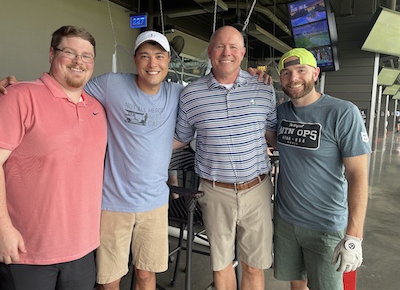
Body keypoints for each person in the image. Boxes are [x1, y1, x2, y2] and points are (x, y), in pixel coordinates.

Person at [0, 29, 269, 290]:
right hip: (112, 204)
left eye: (160, 56)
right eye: (144, 56)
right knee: (109, 279)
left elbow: (189, 128)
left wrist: (254, 75)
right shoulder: (110, 85)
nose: (152, 64)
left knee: (145, 275)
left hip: (154, 203)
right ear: (135, 60)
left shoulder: (179, 93)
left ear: (168, 61)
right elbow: (66, 88)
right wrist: (16, 89)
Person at [0, 26, 107, 289]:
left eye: (87, 55)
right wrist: (3, 229)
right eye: (69, 52)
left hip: (83, 249)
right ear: (51, 53)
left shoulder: (98, 108)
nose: (79, 61)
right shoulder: (19, 96)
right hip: (28, 250)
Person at [174, 25, 277, 290]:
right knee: (221, 266)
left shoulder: (263, 89)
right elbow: (181, 139)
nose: (226, 52)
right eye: (220, 46)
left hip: (257, 189)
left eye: (233, 47)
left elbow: (273, 135)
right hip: (214, 190)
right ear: (210, 52)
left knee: (254, 266)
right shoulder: (191, 94)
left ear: (243, 53)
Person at [274, 48, 371, 290]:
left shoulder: (342, 112)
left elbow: (357, 175)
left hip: (326, 227)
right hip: (286, 221)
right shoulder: (281, 112)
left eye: (300, 71)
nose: (293, 78)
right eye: (286, 72)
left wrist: (354, 236)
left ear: (315, 73)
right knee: (297, 284)